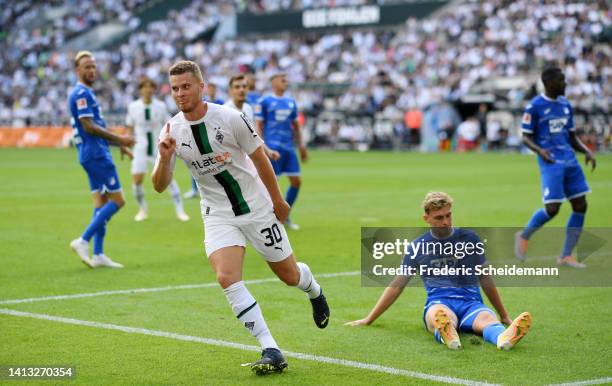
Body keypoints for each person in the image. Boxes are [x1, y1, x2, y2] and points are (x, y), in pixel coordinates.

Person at [152, 61, 330, 375]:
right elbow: (159, 185)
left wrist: (278, 201)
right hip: (217, 214)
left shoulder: (230, 118)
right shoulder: (171, 130)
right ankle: (270, 348)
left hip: (257, 208)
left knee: (289, 276)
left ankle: (313, 289)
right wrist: (165, 159)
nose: (180, 93)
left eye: (186, 86)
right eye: (175, 88)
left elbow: (260, 159)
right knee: (226, 277)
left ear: (201, 86)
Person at [346, 192, 532, 351]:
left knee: (488, 320)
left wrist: (504, 314)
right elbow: (396, 286)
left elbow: (485, 278)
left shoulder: (470, 239)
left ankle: (504, 339)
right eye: (439, 217)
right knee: (439, 316)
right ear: (426, 218)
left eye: (448, 215)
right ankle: (449, 335)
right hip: (439, 302)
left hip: (471, 303)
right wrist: (369, 319)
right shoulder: (417, 247)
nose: (445, 222)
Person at [515, 67, 596, 268]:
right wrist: (540, 151)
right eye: (561, 80)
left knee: (580, 205)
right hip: (551, 162)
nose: (565, 83)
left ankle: (566, 256)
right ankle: (524, 234)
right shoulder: (534, 107)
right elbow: (525, 137)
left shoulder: (565, 104)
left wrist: (585, 150)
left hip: (570, 160)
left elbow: (571, 136)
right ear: (549, 82)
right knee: (552, 209)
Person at [68, 51, 135, 268]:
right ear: (78, 70)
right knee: (119, 200)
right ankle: (83, 240)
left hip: (92, 153)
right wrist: (121, 138)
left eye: (93, 66)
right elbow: (89, 126)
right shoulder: (81, 94)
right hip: (96, 154)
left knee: (101, 203)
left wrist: (119, 145)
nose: (91, 70)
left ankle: (98, 254)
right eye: (87, 66)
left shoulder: (85, 92)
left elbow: (97, 126)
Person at [125, 77, 189, 222]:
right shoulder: (133, 107)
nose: (147, 90)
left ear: (154, 89)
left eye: (150, 87)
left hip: (158, 148)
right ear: (140, 90)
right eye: (144, 87)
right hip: (140, 148)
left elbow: (168, 125)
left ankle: (180, 210)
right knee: (137, 180)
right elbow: (129, 128)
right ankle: (142, 209)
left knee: (169, 178)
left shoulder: (160, 106)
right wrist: (126, 145)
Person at [255, 73, 307, 230]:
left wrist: (302, 146)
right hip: (272, 148)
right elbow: (258, 126)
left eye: (286, 80)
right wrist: (263, 147)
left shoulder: (291, 102)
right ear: (273, 82)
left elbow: (296, 126)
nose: (286, 82)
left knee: (296, 182)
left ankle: (286, 214)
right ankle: (268, 219)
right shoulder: (264, 101)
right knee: (271, 185)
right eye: (283, 80)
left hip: (289, 148)